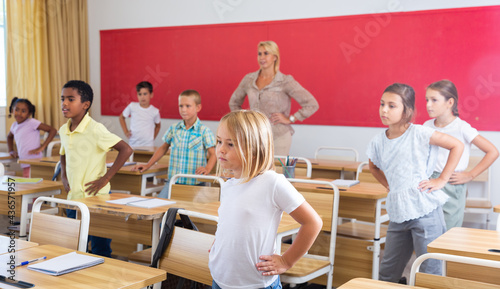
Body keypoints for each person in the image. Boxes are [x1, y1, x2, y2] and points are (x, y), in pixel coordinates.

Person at [209, 110, 323, 289]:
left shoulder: (272, 182)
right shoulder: (229, 184)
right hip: (220, 279)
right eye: (219, 141)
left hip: (256, 283)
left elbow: (313, 222)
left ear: (254, 150)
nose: (221, 149)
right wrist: (221, 244)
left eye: (230, 144)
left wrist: (286, 261)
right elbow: (229, 223)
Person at [367, 83, 463, 283]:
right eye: (382, 104)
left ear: (407, 111)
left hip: (425, 210)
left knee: (429, 270)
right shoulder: (378, 141)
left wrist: (442, 179)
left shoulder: (419, 133)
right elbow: (374, 167)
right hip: (398, 214)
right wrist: (390, 185)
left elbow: (457, 145)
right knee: (387, 272)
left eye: (392, 106)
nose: (384, 109)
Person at [59, 80, 133, 257]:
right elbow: (63, 153)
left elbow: (126, 149)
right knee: (76, 248)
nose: (64, 103)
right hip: (74, 200)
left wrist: (105, 179)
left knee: (100, 249)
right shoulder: (63, 129)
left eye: (70, 99)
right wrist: (63, 174)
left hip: (97, 200)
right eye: (62, 99)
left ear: (85, 105)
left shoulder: (96, 129)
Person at [423, 80, 499, 230]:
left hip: (452, 184)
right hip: (430, 182)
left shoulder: (462, 128)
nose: (428, 105)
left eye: (434, 100)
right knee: (429, 230)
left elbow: (493, 152)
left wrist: (470, 175)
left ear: (449, 102)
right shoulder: (426, 126)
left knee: (448, 230)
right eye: (427, 100)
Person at [228, 41, 319, 156]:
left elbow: (311, 104)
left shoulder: (285, 81)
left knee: (275, 172)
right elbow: (234, 102)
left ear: (274, 57)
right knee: (254, 172)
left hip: (278, 137)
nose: (262, 57)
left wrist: (291, 118)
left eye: (266, 53)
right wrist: (244, 120)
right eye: (259, 54)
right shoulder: (249, 79)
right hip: (254, 137)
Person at [133, 90, 216, 198]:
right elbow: (163, 148)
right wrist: (148, 165)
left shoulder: (204, 131)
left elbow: (213, 154)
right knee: (159, 206)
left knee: (190, 212)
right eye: (181, 106)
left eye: (188, 106)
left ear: (198, 107)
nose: (183, 109)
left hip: (195, 184)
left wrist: (207, 169)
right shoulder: (174, 128)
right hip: (173, 182)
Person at [7, 97, 57, 177]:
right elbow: (9, 137)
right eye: (17, 110)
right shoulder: (14, 126)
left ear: (29, 113)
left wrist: (42, 147)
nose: (19, 113)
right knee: (27, 184)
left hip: (34, 163)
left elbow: (52, 130)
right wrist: (11, 150)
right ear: (12, 110)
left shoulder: (32, 123)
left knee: (31, 185)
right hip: (24, 162)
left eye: (23, 111)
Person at [119, 81, 161, 147]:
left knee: (148, 158)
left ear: (151, 94)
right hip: (133, 143)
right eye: (140, 94)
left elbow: (158, 126)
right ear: (137, 95)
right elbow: (121, 117)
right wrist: (126, 132)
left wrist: (152, 138)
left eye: (145, 94)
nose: (142, 97)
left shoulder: (155, 111)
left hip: (148, 145)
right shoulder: (132, 106)